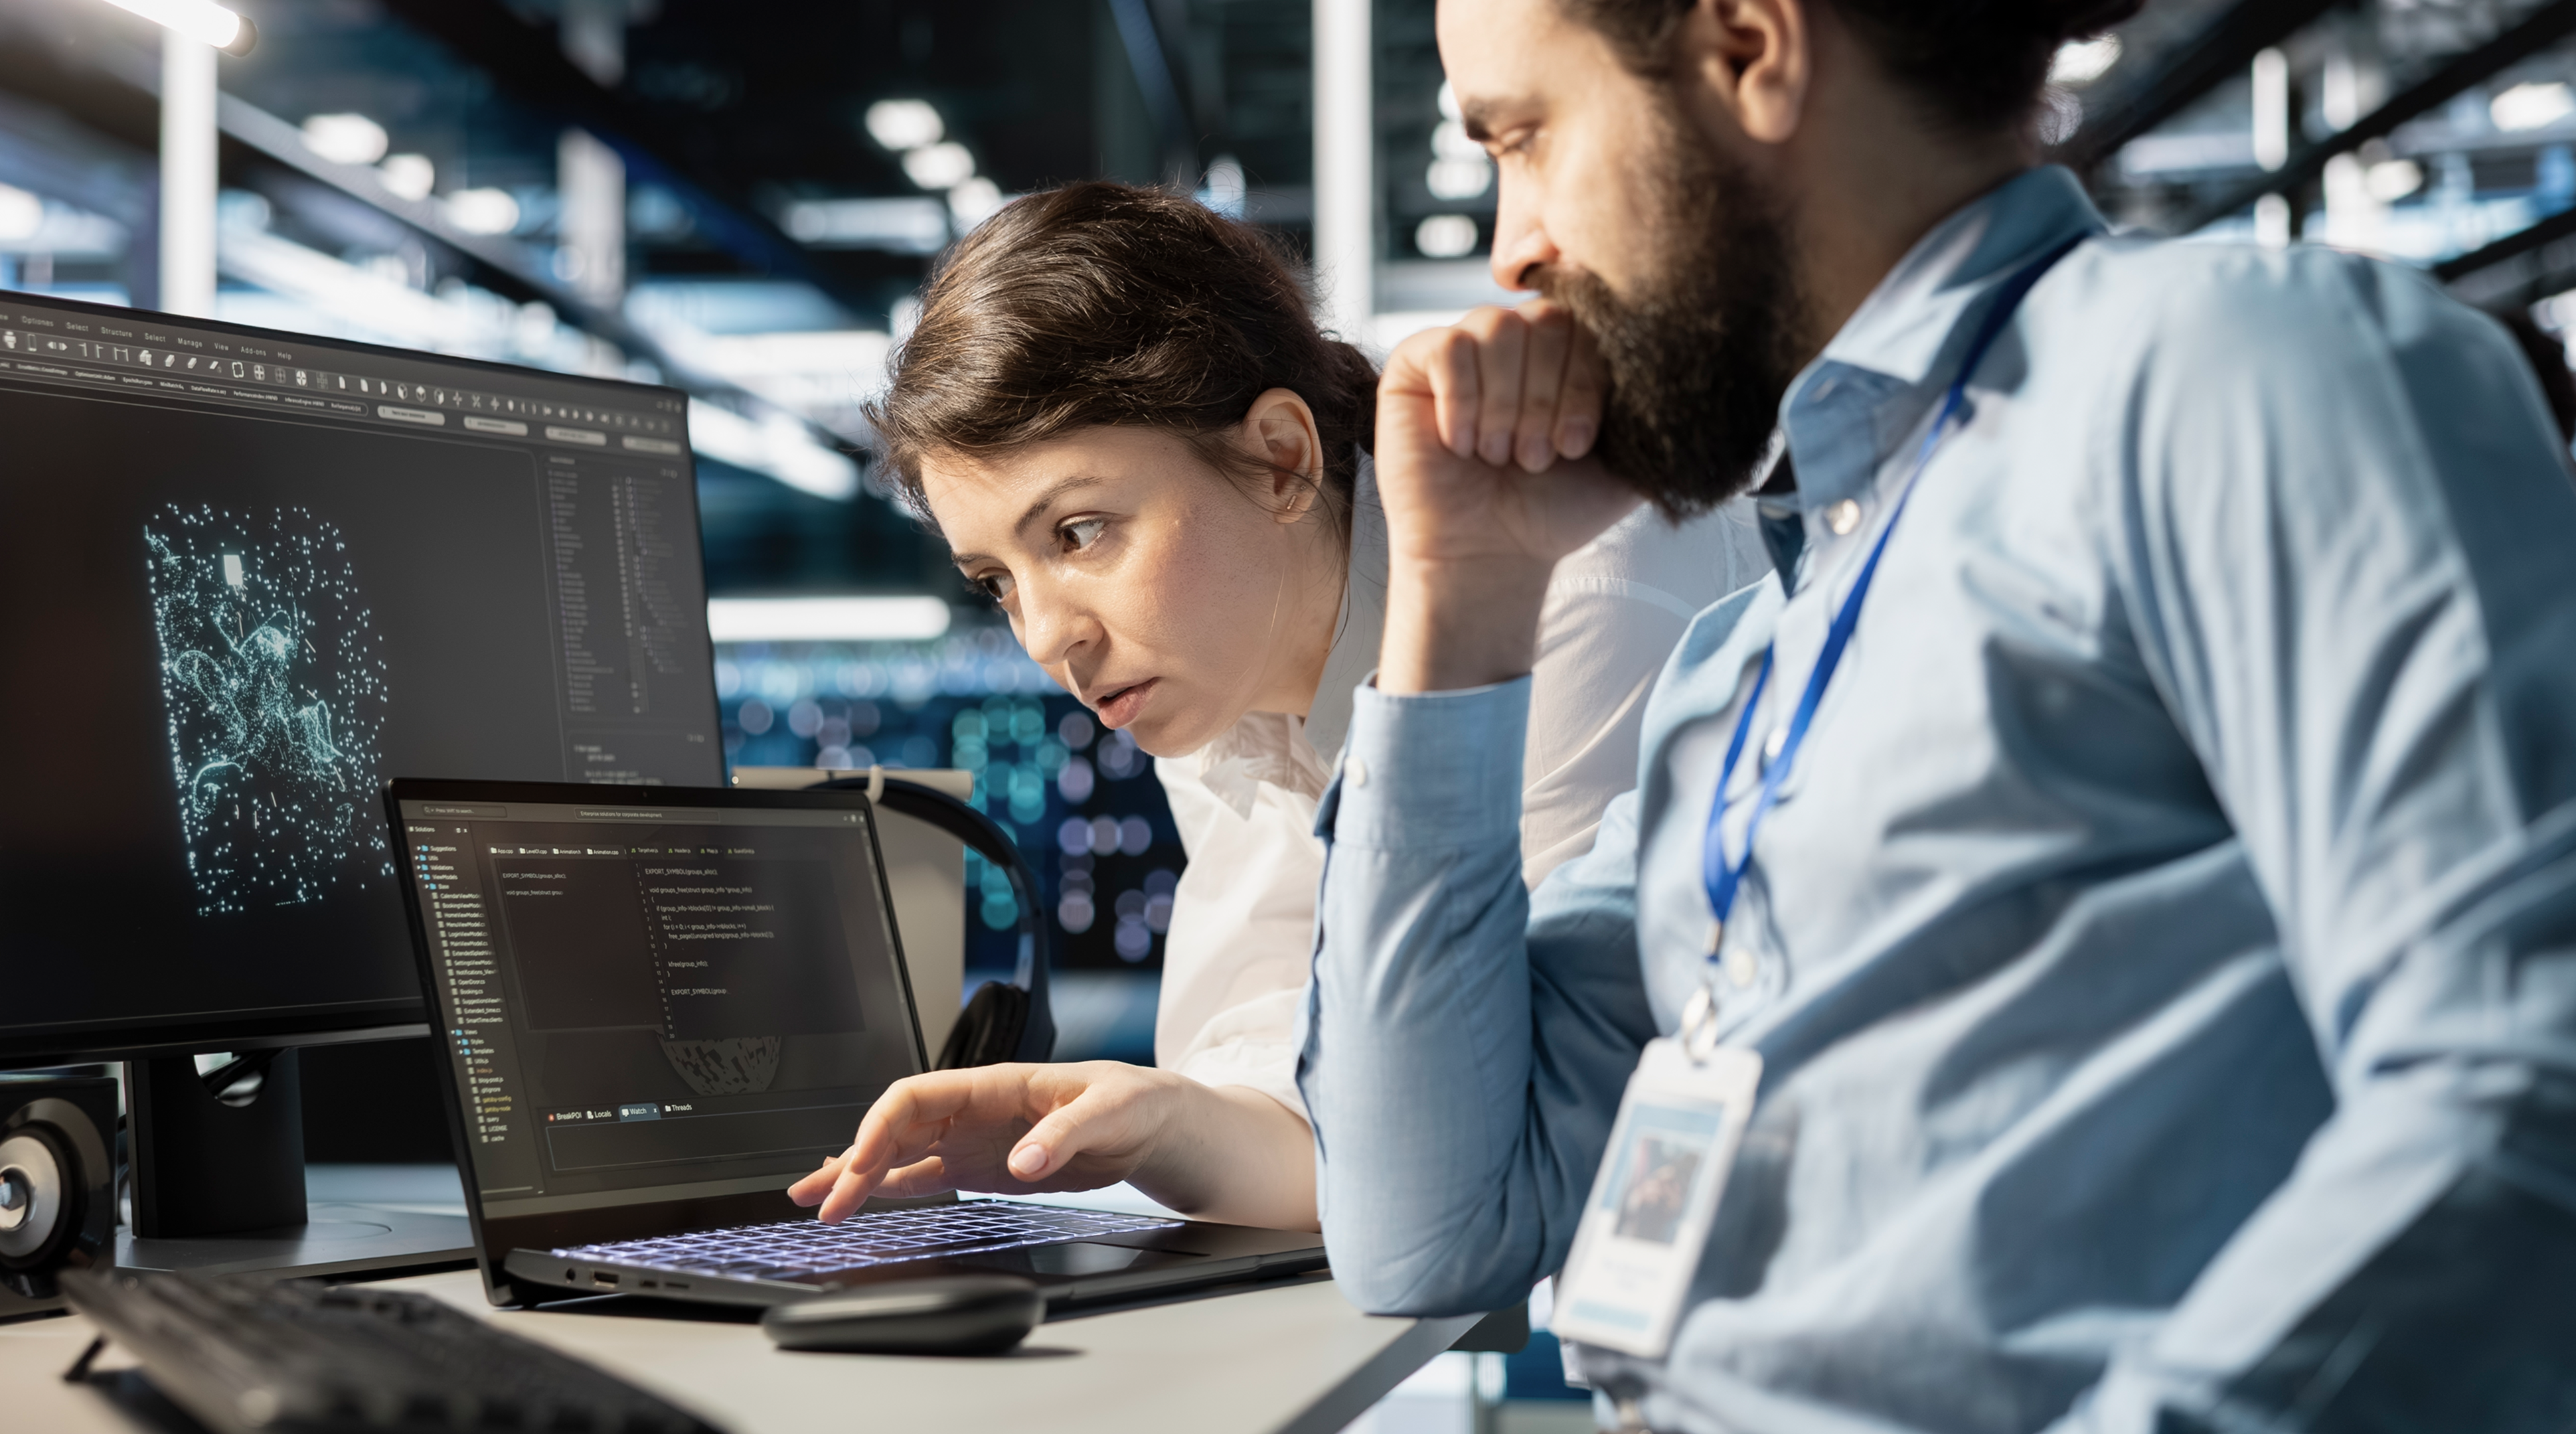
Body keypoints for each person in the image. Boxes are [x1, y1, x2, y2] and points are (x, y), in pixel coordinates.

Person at [1297, 0, 2576, 1429]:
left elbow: (2519, 1094)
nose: (1509, 245)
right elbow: (1427, 1224)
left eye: (1522, 140)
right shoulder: (1748, 661)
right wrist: (1460, 604)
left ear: (1747, 51)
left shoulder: (2228, 376)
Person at [789, 182, 1768, 1232]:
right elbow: (1302, 1105)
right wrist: (1148, 1123)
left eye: (1079, 533)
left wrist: (1230, 1123)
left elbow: (1485, 1138)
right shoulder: (1218, 673)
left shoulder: (1559, 572)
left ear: (1282, 461)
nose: (1046, 637)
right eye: (996, 579)